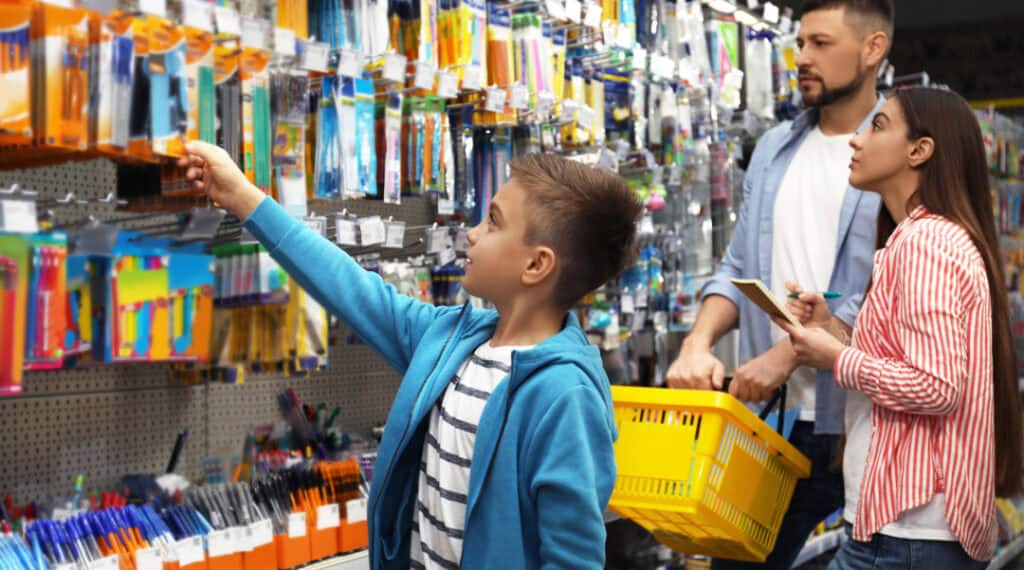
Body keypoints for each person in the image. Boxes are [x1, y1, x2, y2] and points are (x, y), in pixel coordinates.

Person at [177, 144, 643, 569]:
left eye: (494, 221)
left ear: (537, 265)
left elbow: (574, 556)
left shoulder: (565, 395)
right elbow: (350, 287)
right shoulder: (451, 341)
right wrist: (241, 196)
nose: (473, 233)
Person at [666, 0, 893, 567]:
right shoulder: (773, 149)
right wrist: (697, 343)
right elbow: (736, 267)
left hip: (859, 425)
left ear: (873, 50)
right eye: (800, 44)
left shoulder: (899, 150)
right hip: (768, 421)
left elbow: (894, 294)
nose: (803, 58)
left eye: (821, 43)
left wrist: (788, 356)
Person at [778, 87, 1023, 568]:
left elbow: (935, 385)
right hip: (912, 529)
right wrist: (833, 330)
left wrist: (835, 359)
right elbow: (911, 361)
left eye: (878, 125)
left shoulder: (925, 244)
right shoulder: (930, 237)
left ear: (920, 150)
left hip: (906, 531)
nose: (856, 140)